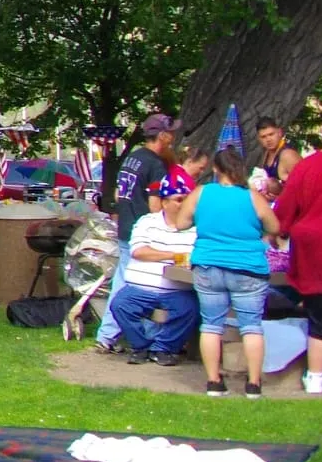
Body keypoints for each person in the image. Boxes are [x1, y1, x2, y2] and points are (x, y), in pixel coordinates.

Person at [170, 148, 279, 398]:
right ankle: (253, 384)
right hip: (248, 267)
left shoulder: (201, 193)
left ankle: (213, 382)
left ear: (216, 169)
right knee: (251, 327)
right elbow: (274, 225)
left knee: (211, 325)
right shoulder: (252, 197)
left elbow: (181, 224)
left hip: (208, 264)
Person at [93, 114, 180, 353]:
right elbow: (155, 205)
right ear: (161, 135)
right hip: (143, 233)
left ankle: (108, 335)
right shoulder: (155, 164)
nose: (173, 138)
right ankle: (148, 339)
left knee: (123, 284)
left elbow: (118, 196)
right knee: (148, 286)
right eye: (170, 133)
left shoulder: (132, 158)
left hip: (126, 228)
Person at [271, 109, 322, 395]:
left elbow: (285, 210)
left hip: (314, 246)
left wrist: (281, 231)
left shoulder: (305, 167)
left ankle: (315, 376)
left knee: (319, 314)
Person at [103, 191, 199, 368]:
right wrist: (174, 255)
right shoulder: (147, 222)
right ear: (164, 203)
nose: (183, 204)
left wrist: (169, 257)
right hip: (140, 286)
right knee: (120, 305)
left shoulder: (196, 227)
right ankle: (140, 346)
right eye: (179, 200)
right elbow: (139, 252)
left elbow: (197, 256)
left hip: (177, 288)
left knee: (190, 309)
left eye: (186, 200)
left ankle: (163, 348)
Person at [253, 118, 302, 199]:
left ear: (279, 132)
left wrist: (280, 198)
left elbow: (304, 186)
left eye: (271, 134)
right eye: (263, 137)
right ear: (259, 139)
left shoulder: (288, 155)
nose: (268, 139)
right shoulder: (266, 153)